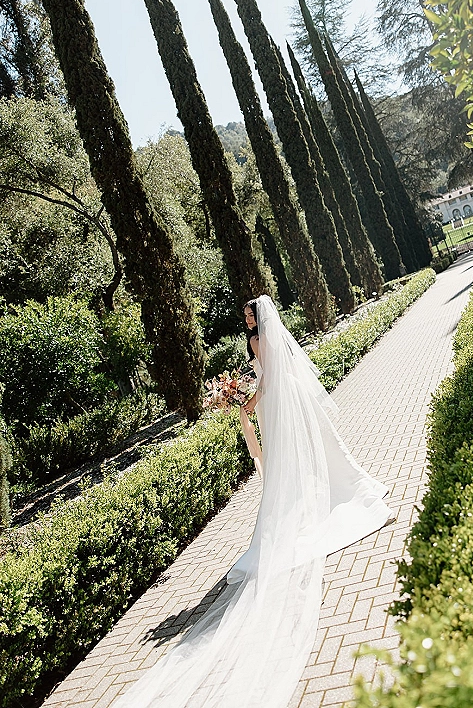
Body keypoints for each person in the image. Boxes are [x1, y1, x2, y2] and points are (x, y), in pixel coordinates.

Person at [113, 295, 394, 708]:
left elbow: (265, 381)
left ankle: (321, 500)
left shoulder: (260, 339)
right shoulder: (264, 336)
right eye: (246, 314)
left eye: (248, 313)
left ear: (258, 315)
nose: (246, 318)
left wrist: (246, 400)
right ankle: (343, 488)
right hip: (284, 401)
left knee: (285, 460)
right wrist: (245, 394)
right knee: (303, 456)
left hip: (276, 403)